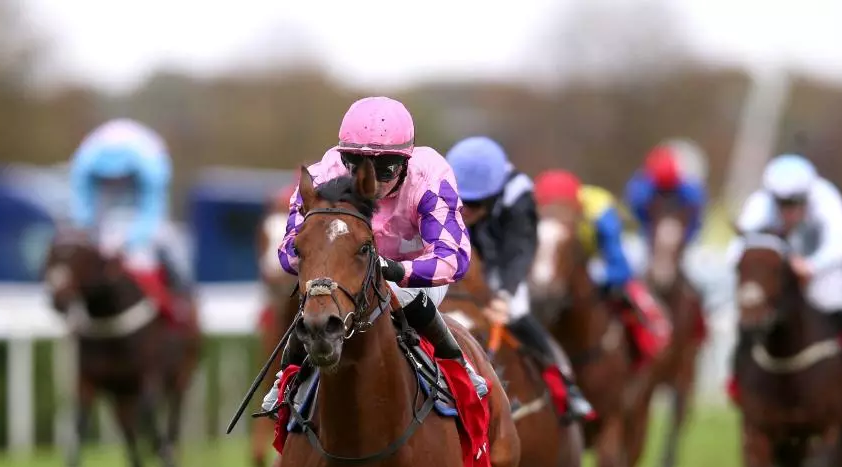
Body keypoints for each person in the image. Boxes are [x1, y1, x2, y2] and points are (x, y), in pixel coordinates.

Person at [258, 96, 486, 417]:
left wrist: (390, 269)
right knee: (320, 299)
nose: (373, 181)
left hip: (414, 275)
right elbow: (288, 254)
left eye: (386, 168)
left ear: (406, 160)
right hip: (346, 273)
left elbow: (454, 259)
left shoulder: (430, 177)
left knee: (397, 294)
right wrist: (330, 271)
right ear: (343, 158)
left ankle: (458, 365)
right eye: (358, 164)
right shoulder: (322, 175)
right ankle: (288, 376)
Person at [443, 136, 597, 422]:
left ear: (494, 193)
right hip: (463, 260)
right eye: (462, 201)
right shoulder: (441, 183)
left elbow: (519, 251)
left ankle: (565, 384)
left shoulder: (519, 196)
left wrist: (504, 293)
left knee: (515, 310)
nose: (466, 211)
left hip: (505, 263)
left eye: (475, 204)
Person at [727, 153, 842, 421]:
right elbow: (737, 250)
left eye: (794, 203)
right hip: (781, 278)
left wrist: (811, 267)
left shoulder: (827, 199)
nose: (787, 211)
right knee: (748, 322)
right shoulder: (759, 203)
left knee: (834, 315)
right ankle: (738, 382)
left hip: (819, 274)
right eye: (782, 203)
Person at [534, 169, 672, 366]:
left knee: (636, 294)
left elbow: (621, 267)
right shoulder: (527, 210)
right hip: (557, 272)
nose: (554, 218)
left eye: (562, 213)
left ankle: (653, 343)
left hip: (601, 264)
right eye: (547, 214)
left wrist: (598, 274)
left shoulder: (600, 211)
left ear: (576, 209)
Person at [69, 118, 191, 324]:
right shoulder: (92, 177)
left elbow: (152, 211)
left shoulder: (148, 176)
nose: (115, 180)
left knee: (176, 250)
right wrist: (88, 232)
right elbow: (84, 213)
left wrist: (134, 240)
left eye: (122, 174)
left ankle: (182, 306)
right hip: (102, 235)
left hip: (145, 235)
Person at [624, 144, 708, 259]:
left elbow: (695, 218)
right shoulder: (641, 191)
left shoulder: (691, 192)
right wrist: (648, 232)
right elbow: (638, 211)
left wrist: (686, 239)